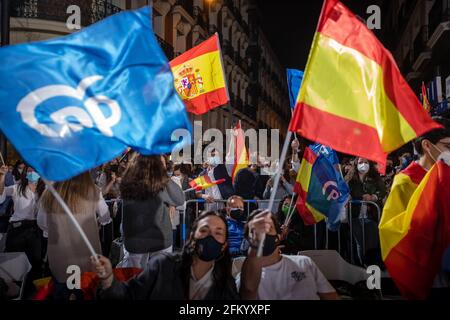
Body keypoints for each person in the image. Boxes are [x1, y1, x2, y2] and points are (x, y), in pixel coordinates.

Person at [92, 211, 240, 300]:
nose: (210, 237)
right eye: (204, 230)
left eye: (218, 233)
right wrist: (108, 280)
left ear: (224, 246)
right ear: (191, 237)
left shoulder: (226, 285)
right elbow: (129, 295)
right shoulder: (163, 266)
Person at [380, 116, 450, 299]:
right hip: (430, 275)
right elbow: (392, 231)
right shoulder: (405, 181)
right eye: (448, 146)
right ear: (427, 146)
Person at [37, 172, 111, 299]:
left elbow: (42, 223)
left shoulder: (49, 193)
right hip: (88, 260)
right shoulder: (93, 191)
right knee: (86, 294)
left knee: (64, 294)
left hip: (61, 261)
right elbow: (106, 217)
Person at [238, 210, 339, 300]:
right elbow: (248, 291)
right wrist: (256, 245)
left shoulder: (304, 262)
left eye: (268, 228)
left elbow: (330, 296)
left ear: (278, 236)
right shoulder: (246, 276)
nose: (262, 233)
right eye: (254, 231)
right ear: (248, 239)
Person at [118, 155, 184, 268]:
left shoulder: (128, 181)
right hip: (151, 239)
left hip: (140, 239)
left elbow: (179, 199)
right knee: (152, 279)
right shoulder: (155, 184)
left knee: (140, 280)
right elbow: (179, 199)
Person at [0, 165, 42, 280]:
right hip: (17, 229)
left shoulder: (43, 190)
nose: (32, 172)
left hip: (35, 230)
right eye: (29, 170)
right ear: (25, 173)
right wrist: (2, 176)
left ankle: (32, 289)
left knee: (36, 260)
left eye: (35, 170)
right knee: (15, 262)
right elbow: (1, 196)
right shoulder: (17, 188)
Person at [346, 157, 386, 267]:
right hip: (355, 216)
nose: (363, 164)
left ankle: (372, 266)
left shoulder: (375, 178)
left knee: (372, 242)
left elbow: (382, 191)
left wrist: (374, 196)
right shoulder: (351, 179)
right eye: (360, 162)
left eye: (366, 162)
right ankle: (363, 266)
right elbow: (347, 191)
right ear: (356, 164)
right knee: (360, 242)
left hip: (371, 215)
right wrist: (357, 196)